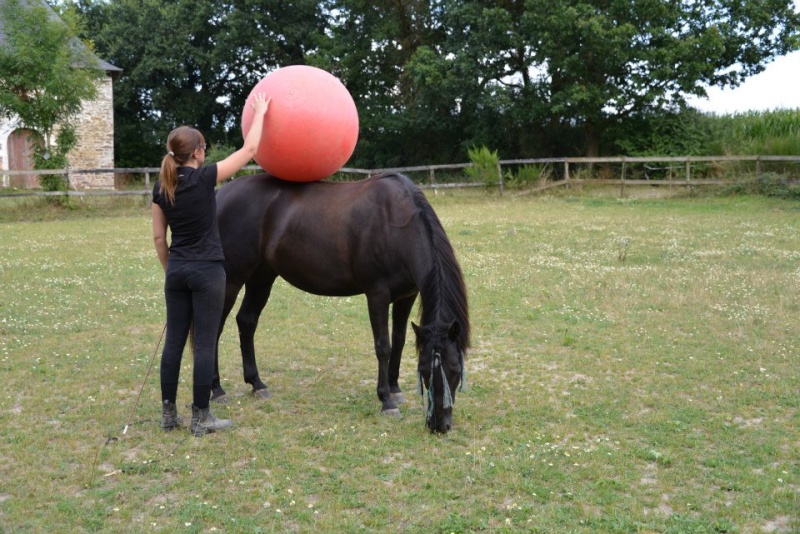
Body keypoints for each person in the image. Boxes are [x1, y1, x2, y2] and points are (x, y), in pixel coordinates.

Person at [152, 93, 271, 436]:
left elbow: (160, 239)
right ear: (199, 152)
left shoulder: (162, 187)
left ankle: (168, 415)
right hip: (207, 272)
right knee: (204, 343)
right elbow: (249, 151)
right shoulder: (205, 179)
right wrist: (260, 112)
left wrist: (170, 270)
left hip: (177, 271)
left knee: (174, 342)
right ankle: (201, 416)